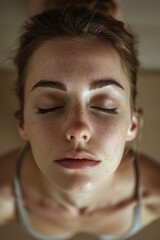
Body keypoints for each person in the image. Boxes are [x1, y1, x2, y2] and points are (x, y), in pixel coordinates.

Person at [0, 0, 160, 239]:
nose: (78, 129)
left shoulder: (154, 194)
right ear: (22, 121)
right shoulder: (5, 193)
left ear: (133, 123)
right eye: (49, 107)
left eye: (105, 107)